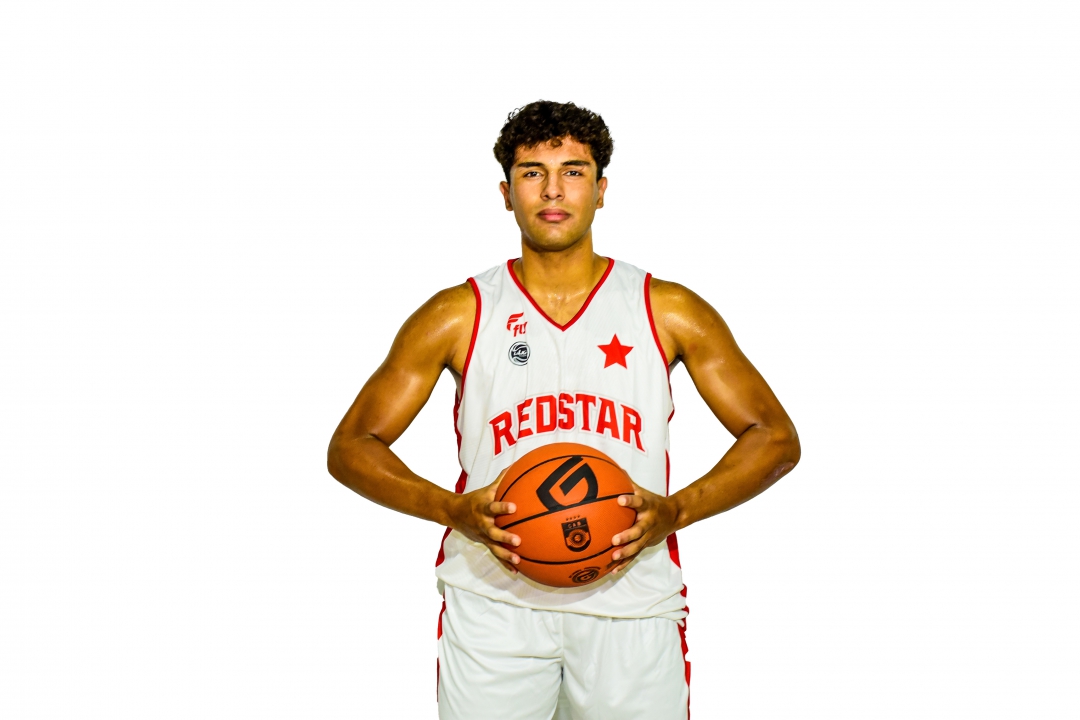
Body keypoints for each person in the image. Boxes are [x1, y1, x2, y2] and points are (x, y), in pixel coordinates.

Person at [327, 100, 801, 720]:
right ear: (506, 193)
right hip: (493, 604)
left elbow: (774, 437)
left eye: (573, 171)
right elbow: (351, 446)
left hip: (631, 605)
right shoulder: (458, 313)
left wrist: (678, 510)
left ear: (601, 190)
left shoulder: (666, 308)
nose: (553, 190)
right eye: (533, 173)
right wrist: (450, 510)